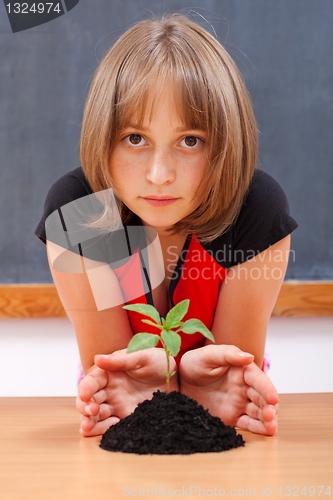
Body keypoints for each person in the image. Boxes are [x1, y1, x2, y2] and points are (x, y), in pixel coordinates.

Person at [35, 14, 297, 438]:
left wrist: (201, 383)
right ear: (104, 136)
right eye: (135, 139)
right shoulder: (77, 211)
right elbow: (113, 373)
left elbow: (230, 378)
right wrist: (151, 385)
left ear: (226, 143)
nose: (159, 174)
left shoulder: (257, 208)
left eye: (190, 140)